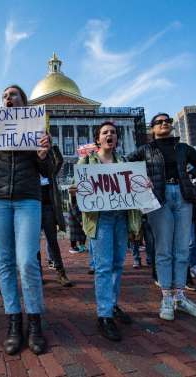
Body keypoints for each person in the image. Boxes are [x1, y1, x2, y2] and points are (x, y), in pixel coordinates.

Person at [0, 85, 52, 355]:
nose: (8, 98)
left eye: (13, 94)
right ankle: (14, 322)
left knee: (27, 260)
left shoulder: (36, 129)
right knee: (5, 261)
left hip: (28, 197)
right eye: (4, 95)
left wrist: (43, 154)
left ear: (23, 101)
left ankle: (35, 322)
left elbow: (49, 171)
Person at [128, 113, 196, 321]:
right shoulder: (146, 150)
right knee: (164, 249)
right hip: (158, 198)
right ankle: (166, 297)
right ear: (152, 128)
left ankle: (180, 296)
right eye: (159, 122)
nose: (164, 124)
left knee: (182, 247)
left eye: (167, 121)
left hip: (182, 195)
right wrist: (141, 180)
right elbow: (126, 165)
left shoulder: (182, 148)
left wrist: (190, 175)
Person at [75, 121, 132, 341]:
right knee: (103, 267)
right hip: (101, 219)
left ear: (117, 138)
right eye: (105, 132)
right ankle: (104, 315)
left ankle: (113, 304)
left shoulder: (124, 162)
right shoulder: (87, 160)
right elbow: (77, 185)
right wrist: (75, 188)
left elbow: (133, 187)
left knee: (118, 264)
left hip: (121, 217)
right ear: (98, 139)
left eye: (113, 132)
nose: (110, 135)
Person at [37, 144, 73, 287]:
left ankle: (61, 272)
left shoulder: (50, 171)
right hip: (32, 205)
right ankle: (37, 274)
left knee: (52, 240)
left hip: (47, 206)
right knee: (33, 243)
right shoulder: (30, 164)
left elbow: (59, 161)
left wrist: (51, 146)